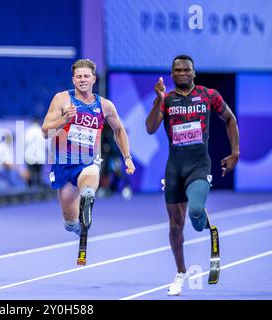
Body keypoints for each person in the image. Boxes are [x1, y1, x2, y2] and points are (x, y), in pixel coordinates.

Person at [145, 55, 240, 296]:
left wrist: (235, 152)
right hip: (174, 167)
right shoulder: (166, 100)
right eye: (178, 70)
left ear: (194, 73)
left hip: (199, 164)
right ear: (172, 74)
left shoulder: (209, 95)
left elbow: (230, 118)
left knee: (195, 214)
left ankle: (203, 217)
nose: (183, 73)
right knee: (175, 226)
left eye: (187, 70)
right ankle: (180, 273)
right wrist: (157, 100)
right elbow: (150, 128)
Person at [41, 58, 135, 246]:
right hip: (64, 163)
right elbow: (45, 131)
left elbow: (119, 131)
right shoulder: (62, 99)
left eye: (86, 76)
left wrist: (127, 157)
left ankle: (88, 198)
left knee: (90, 181)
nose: (82, 79)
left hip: (88, 161)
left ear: (94, 79)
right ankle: (78, 225)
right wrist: (64, 120)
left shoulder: (105, 106)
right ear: (73, 80)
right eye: (78, 76)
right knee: (69, 222)